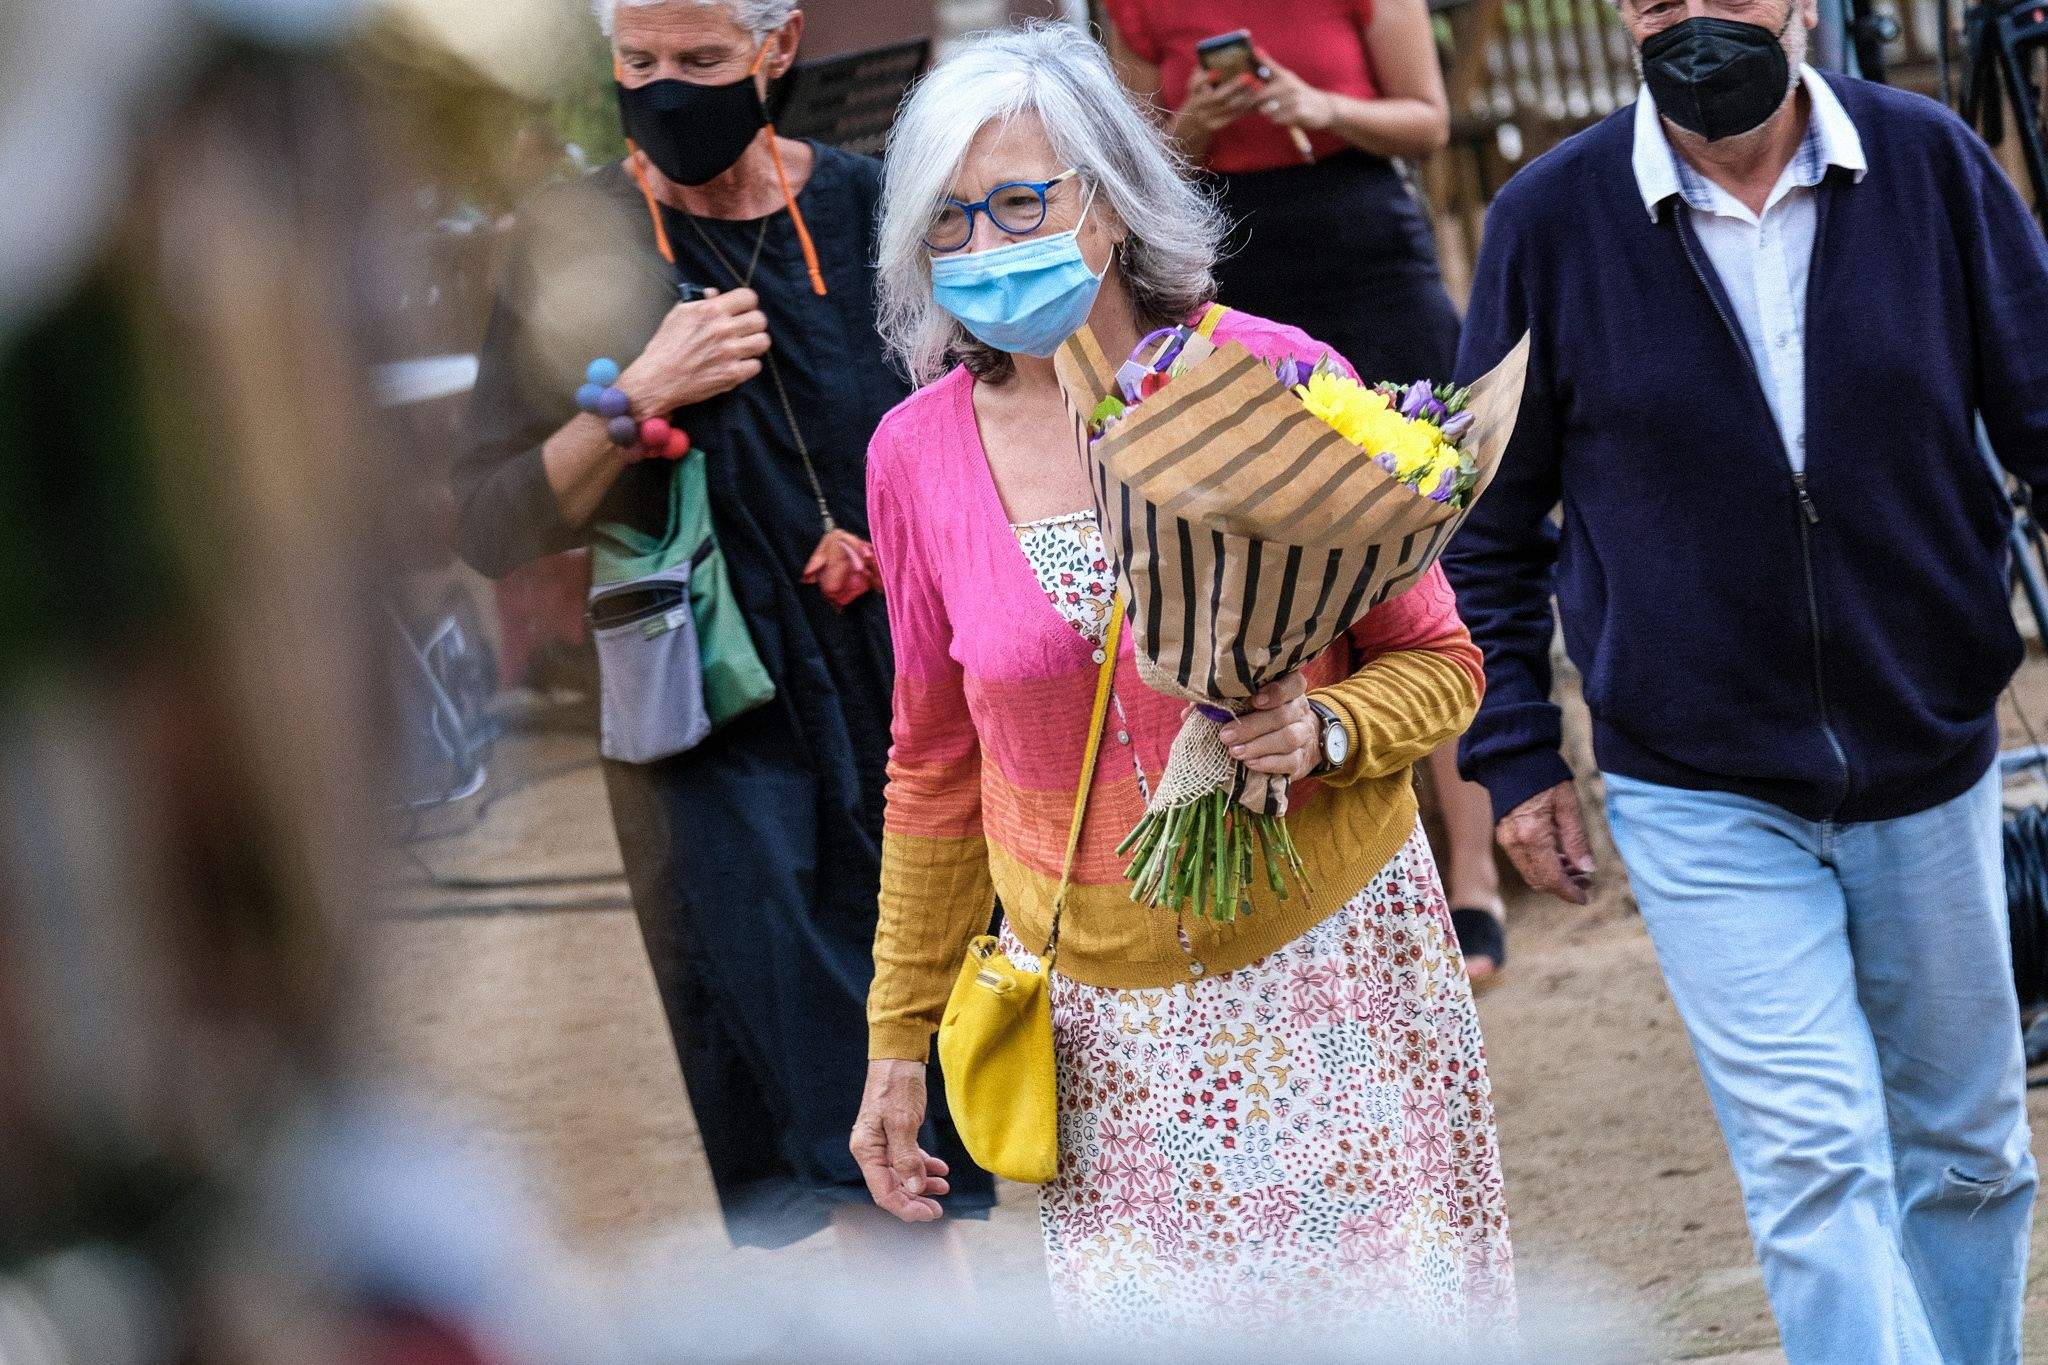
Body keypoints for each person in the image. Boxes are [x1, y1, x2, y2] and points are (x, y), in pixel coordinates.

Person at [849, 24, 1513, 1336]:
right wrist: (893, 1041)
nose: (988, 248)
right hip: (1111, 1044)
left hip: (1333, 982)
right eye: (950, 223)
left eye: (1024, 203)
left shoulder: (1271, 377)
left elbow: (1441, 664)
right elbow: (931, 767)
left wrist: (1322, 727)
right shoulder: (913, 456)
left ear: (1108, 197)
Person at [1446, 0, 2048, 1356]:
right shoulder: (1552, 221)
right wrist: (1523, 751)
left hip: (1925, 753)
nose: (1696, 18)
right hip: (1697, 780)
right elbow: (1485, 522)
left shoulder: (1930, 165)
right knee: (1816, 1161)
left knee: (1969, 1148)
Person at [449, 0, 994, 1252]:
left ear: (779, 48)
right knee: (850, 1135)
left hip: (911, 705)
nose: (666, 92)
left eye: (701, 61)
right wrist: (633, 397)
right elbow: (487, 520)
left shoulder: (872, 209)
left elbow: (988, 409)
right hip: (716, 730)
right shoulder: (573, 242)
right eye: (636, 64)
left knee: (977, 1084)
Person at [1099, 2, 1510, 981]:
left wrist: (1311, 101)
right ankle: (1334, 845)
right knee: (1250, 557)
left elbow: (1427, 118)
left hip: (1360, 236)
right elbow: (1119, 170)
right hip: (1224, 258)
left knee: (1426, 547)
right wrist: (1192, 125)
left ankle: (1474, 873)